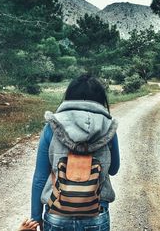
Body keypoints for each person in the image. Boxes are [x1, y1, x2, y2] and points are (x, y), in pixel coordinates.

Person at [31, 74, 120, 231]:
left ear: (70, 96)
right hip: (96, 212)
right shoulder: (108, 128)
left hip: (56, 213)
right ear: (100, 99)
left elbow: (40, 177)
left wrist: (35, 218)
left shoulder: (52, 126)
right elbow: (113, 170)